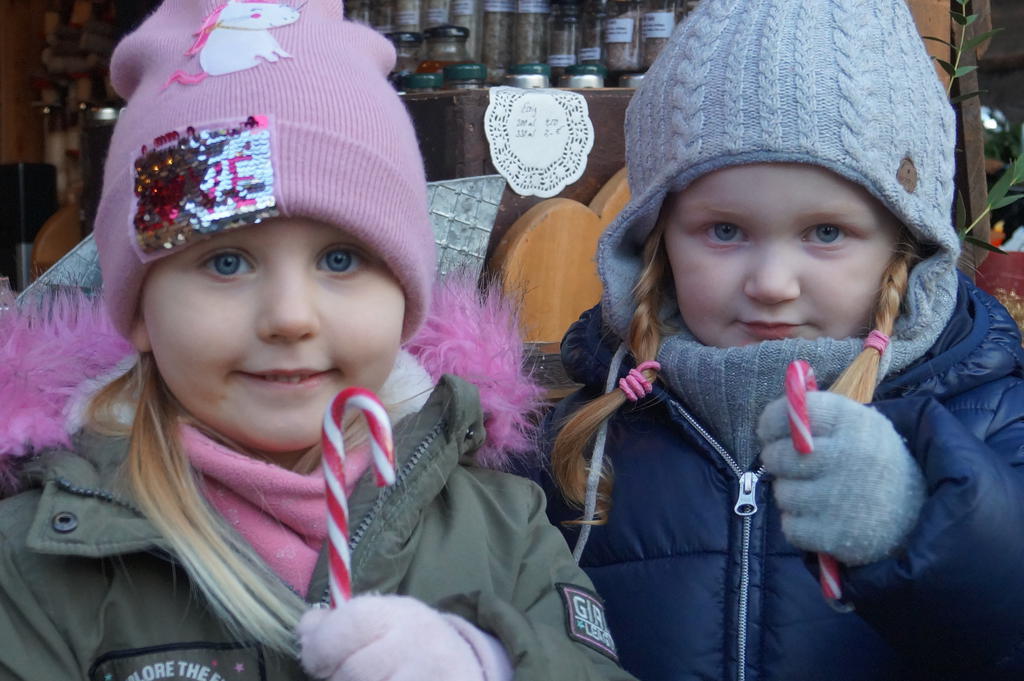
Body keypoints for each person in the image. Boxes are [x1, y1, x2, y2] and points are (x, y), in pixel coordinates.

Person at [0, 2, 636, 681]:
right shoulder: (37, 561)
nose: (290, 317)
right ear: (139, 310)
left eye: (340, 259)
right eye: (225, 261)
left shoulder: (504, 528)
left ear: (406, 301)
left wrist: (491, 666)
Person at [526, 0, 1024, 680]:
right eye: (725, 230)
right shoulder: (583, 436)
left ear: (904, 246)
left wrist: (921, 528)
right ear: (656, 239)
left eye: (826, 232)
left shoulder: (990, 421)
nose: (771, 282)